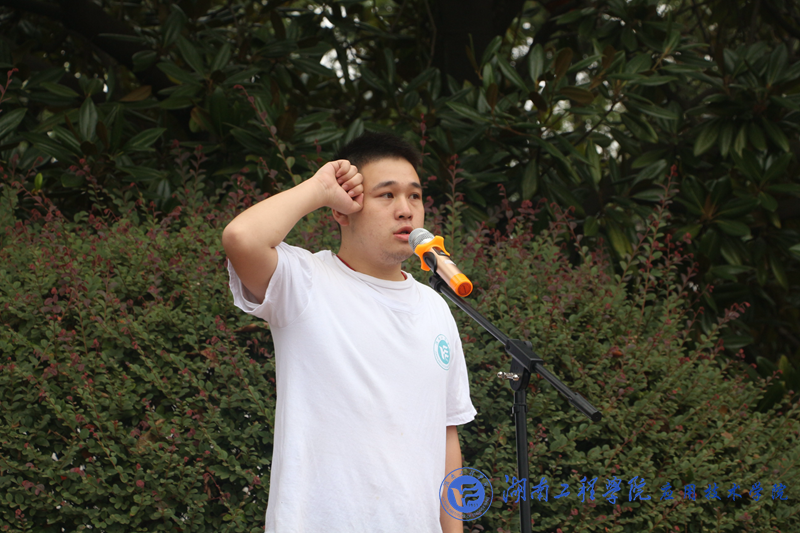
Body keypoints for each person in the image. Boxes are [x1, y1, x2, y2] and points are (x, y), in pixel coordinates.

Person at [221, 131, 476, 532]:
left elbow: (446, 438)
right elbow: (241, 238)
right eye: (386, 195)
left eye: (415, 196)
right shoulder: (304, 282)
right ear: (342, 210)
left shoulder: (436, 309)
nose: (406, 210)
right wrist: (320, 189)